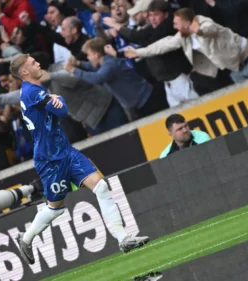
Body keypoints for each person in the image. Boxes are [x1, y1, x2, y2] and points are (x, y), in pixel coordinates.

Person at [9, 54, 150, 265]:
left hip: (65, 151)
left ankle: (123, 239)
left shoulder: (37, 90)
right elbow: (63, 111)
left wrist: (57, 99)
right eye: (32, 63)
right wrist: (60, 99)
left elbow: (58, 109)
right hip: (49, 159)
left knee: (101, 187)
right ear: (25, 72)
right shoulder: (31, 92)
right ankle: (26, 238)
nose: (38, 63)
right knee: (55, 208)